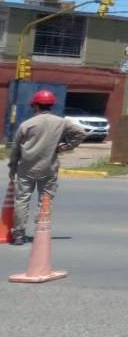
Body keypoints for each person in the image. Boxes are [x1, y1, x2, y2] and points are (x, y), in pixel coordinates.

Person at [7, 90, 86, 245]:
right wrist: (65, 147)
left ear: (35, 105)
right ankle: (41, 232)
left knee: (22, 200)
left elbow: (16, 149)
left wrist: (12, 168)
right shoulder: (61, 122)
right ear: (51, 105)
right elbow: (80, 132)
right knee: (45, 201)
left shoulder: (27, 124)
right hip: (49, 168)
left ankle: (18, 235)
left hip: (26, 168)